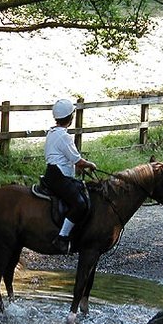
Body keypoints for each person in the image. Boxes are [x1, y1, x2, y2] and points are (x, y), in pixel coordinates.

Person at [43, 98, 97, 254]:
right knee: (80, 204)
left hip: (51, 173)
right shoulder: (64, 137)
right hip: (60, 177)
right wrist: (90, 165)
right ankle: (62, 237)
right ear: (71, 117)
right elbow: (77, 160)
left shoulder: (52, 133)